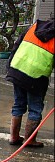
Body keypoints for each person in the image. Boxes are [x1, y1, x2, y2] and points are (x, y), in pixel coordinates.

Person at [5, 18, 55, 147]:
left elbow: (17, 45)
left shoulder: (34, 27)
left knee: (18, 104)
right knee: (35, 109)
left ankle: (14, 137)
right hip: (37, 76)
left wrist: (10, 67)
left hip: (18, 69)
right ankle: (29, 140)